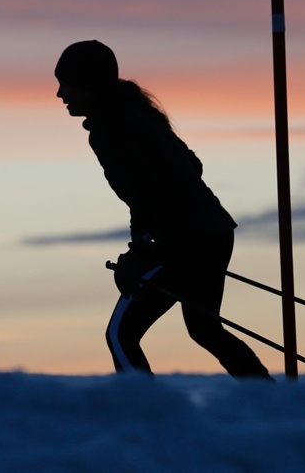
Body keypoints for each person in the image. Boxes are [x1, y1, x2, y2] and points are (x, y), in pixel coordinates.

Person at [54, 40, 271, 379]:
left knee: (120, 334)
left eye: (66, 83)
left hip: (187, 243)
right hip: (213, 233)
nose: (59, 94)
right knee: (205, 329)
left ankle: (144, 414)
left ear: (89, 84)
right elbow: (190, 165)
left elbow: (145, 193)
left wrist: (139, 252)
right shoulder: (137, 113)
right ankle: (270, 399)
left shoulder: (111, 128)